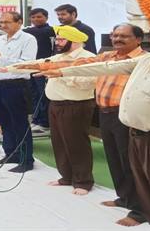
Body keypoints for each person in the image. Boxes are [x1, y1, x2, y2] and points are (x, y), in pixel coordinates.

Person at [36, 20, 150, 231]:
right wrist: (61, 71)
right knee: (147, 190)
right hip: (138, 136)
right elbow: (106, 67)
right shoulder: (147, 61)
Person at [0, 11, 37, 173]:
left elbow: (27, 64)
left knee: (20, 123)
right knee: (5, 122)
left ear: (19, 22)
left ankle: (26, 159)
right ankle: (11, 153)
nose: (3, 25)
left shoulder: (28, 39)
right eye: (1, 22)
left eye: (7, 22)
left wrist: (0, 56)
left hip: (16, 85)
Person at [43, 26, 97, 195]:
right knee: (59, 143)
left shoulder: (88, 58)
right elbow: (41, 64)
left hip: (75, 105)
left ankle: (83, 181)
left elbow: (89, 82)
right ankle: (66, 176)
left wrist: (61, 75)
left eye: (61, 40)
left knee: (76, 144)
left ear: (74, 41)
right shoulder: (58, 57)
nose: (57, 43)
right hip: (55, 104)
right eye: (57, 39)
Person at [23, 8, 54, 135]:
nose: (36, 19)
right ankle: (36, 120)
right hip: (32, 67)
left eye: (39, 17)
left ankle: (45, 123)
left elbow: (35, 32)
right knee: (35, 95)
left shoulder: (50, 30)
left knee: (43, 96)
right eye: (33, 17)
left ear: (46, 18)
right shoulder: (29, 32)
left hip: (44, 68)